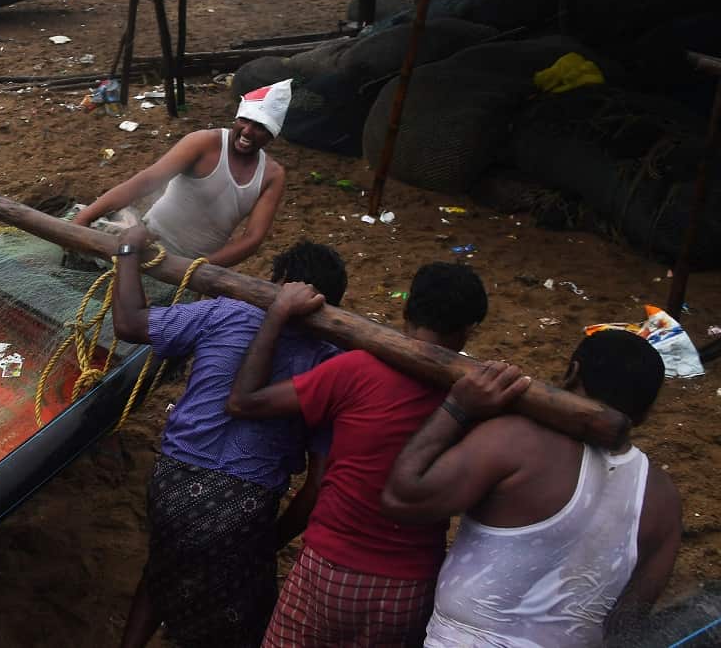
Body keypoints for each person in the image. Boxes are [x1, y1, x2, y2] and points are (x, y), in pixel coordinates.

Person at [226, 262, 489, 647]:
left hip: (329, 567)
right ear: (468, 329)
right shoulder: (476, 402)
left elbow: (243, 401)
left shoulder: (354, 370)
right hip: (409, 586)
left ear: (406, 312)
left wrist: (277, 313)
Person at [112, 223, 348, 648]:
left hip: (172, 484)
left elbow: (128, 323)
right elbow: (318, 483)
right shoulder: (331, 365)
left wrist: (127, 248)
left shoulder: (227, 312)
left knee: (165, 564)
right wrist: (270, 541)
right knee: (242, 612)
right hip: (245, 505)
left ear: (275, 282)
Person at [381, 330, 682, 647]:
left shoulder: (518, 441)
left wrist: (458, 406)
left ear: (572, 372)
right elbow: (627, 625)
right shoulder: (664, 501)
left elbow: (401, 499)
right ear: (648, 411)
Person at [71, 80, 292, 267]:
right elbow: (144, 182)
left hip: (195, 261)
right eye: (245, 121)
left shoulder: (272, 176)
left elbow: (252, 239)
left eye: (260, 127)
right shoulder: (205, 143)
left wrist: (200, 268)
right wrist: (86, 217)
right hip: (147, 239)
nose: (247, 132)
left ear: (272, 134)